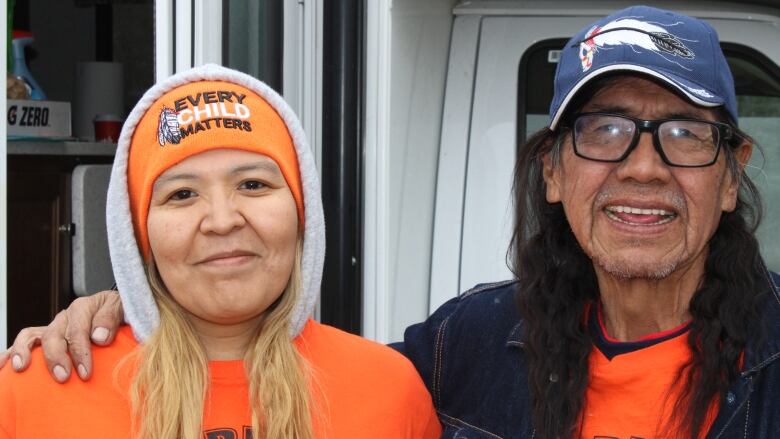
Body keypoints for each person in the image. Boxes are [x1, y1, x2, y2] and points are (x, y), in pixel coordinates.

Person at [4, 5, 780, 438]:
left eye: (683, 134)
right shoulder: (463, 349)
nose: (643, 166)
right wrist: (122, 307)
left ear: (730, 171)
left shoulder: (391, 386)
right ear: (551, 171)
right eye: (603, 131)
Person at [0, 64, 441, 438]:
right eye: (182, 194)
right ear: (140, 237)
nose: (222, 219)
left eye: (253, 185)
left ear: (302, 212)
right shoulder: (39, 387)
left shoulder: (390, 391)